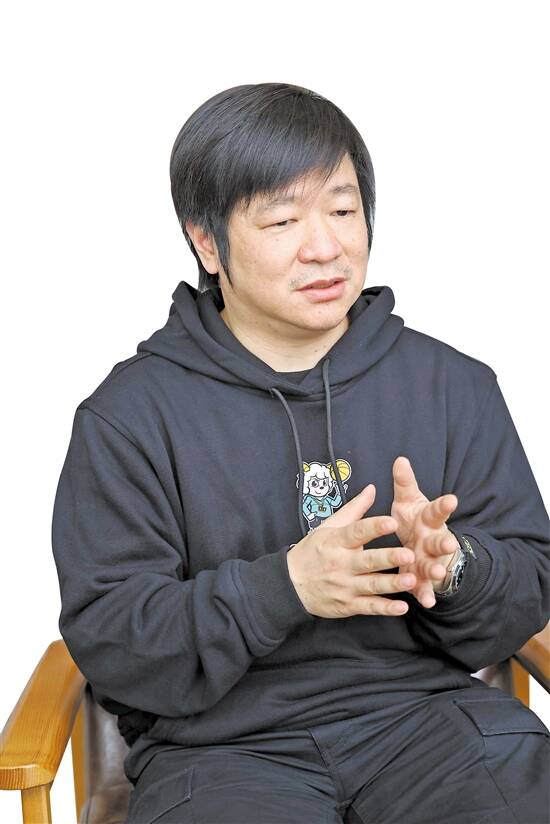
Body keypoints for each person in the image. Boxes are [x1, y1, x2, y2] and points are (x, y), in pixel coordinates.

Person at [51, 82, 550, 824]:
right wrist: (282, 588)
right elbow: (114, 639)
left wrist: (456, 570)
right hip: (219, 752)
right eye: (283, 219)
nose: (325, 247)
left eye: (343, 211)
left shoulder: (453, 386)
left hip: (429, 724)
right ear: (206, 241)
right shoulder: (129, 417)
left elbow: (528, 587)